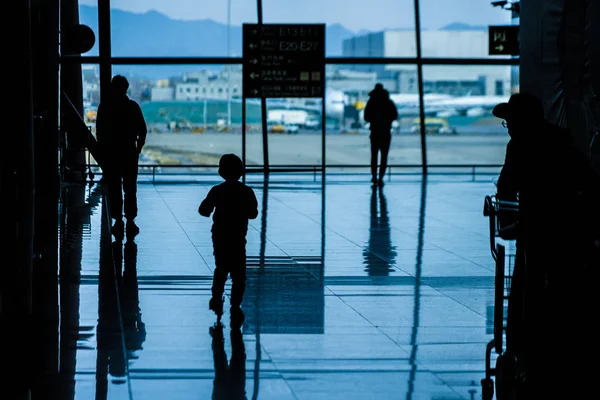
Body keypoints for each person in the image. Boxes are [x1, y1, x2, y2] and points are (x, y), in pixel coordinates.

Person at [493, 92, 600, 398]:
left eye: (510, 121)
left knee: (529, 281)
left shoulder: (519, 147)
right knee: (564, 281)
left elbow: (507, 186)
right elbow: (589, 183)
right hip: (567, 230)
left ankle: (527, 338)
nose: (509, 127)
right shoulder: (563, 143)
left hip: (535, 228)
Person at [199, 154, 259, 326]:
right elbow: (253, 214)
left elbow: (203, 210)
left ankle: (216, 297)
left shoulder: (217, 190)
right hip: (238, 237)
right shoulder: (246, 191)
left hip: (220, 236)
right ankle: (235, 303)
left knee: (221, 268)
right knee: (239, 274)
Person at [96, 75, 147, 239]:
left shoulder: (105, 107)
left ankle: (118, 221)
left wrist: (104, 150)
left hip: (112, 154)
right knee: (130, 188)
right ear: (126, 88)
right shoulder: (133, 107)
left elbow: (100, 132)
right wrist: (137, 149)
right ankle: (130, 221)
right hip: (129, 153)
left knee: (114, 189)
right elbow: (142, 130)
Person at [364, 83, 398, 186]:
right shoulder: (388, 102)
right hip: (386, 131)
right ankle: (381, 178)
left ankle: (374, 177)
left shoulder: (371, 102)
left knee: (374, 156)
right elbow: (395, 115)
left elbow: (366, 117)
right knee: (384, 156)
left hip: (374, 131)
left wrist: (374, 120)